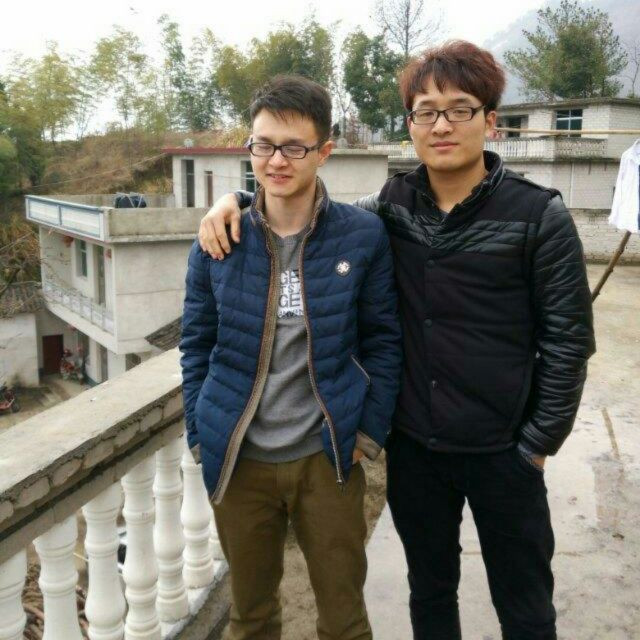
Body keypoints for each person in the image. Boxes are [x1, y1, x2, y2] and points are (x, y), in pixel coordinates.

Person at [197, 41, 596, 640]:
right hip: (418, 450)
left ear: (490, 121)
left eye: (459, 109)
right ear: (409, 123)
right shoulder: (391, 206)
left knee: (526, 608)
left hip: (504, 449)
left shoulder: (539, 216)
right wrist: (239, 200)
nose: (441, 125)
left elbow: (569, 342)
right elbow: (307, 208)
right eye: (425, 111)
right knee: (429, 596)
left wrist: (537, 444)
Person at [179, 74, 402, 640]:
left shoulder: (361, 236)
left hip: (326, 458)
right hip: (240, 460)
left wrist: (366, 433)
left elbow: (384, 340)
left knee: (344, 620)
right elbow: (197, 343)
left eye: (294, 147)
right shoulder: (218, 240)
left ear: (324, 151)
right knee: (250, 617)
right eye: (264, 145)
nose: (276, 160)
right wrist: (200, 433)